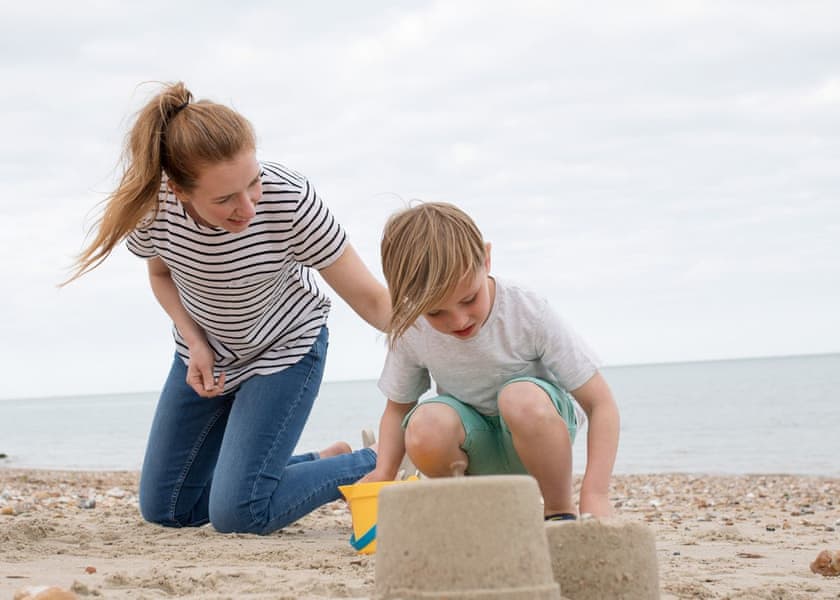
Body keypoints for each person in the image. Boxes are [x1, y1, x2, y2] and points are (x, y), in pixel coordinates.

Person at [64, 81, 389, 534]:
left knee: (241, 514)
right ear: (178, 190)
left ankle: (377, 461)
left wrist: (441, 339)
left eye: (252, 183)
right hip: (206, 358)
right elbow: (160, 275)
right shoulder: (152, 211)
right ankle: (317, 463)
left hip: (284, 351)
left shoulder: (289, 200)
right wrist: (195, 342)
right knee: (168, 509)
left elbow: (372, 299)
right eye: (224, 200)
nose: (248, 208)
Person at [363, 202, 620, 519]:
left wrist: (596, 493)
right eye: (435, 312)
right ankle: (478, 513)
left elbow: (600, 404)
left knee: (519, 398)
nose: (458, 320)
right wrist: (383, 471)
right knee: (424, 425)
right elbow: (397, 407)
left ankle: (558, 512)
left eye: (469, 298)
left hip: (539, 437)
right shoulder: (412, 327)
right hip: (476, 449)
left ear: (485, 259)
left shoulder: (526, 310)